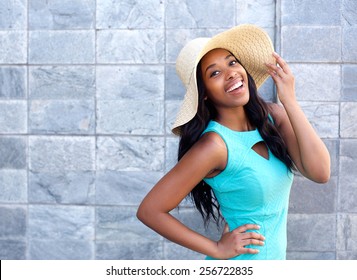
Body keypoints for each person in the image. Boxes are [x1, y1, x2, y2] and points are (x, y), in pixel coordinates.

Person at [137, 24, 330, 260]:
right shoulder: (214, 146)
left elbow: (320, 173)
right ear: (204, 92)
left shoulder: (272, 117)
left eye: (232, 62)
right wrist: (217, 249)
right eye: (214, 73)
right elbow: (149, 211)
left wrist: (289, 100)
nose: (230, 73)